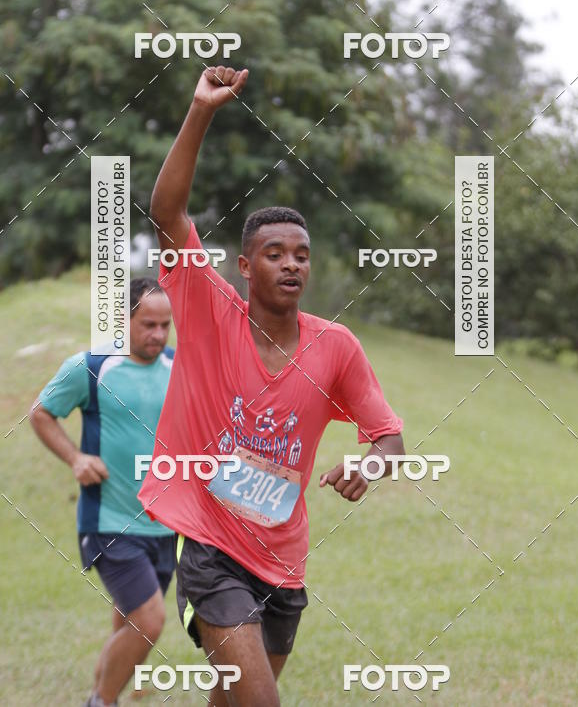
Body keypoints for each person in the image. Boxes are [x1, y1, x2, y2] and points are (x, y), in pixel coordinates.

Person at [138, 66, 406, 707]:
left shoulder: (335, 346)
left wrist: (369, 465)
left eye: (302, 254)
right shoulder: (208, 311)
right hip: (211, 548)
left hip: (284, 559)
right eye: (275, 252)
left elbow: (390, 436)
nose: (291, 263)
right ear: (246, 264)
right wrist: (202, 109)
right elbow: (165, 211)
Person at [29, 277, 176, 707]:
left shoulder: (177, 368)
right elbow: (41, 414)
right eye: (148, 324)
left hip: (165, 526)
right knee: (149, 621)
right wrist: (76, 458)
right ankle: (102, 701)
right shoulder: (91, 367)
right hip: (108, 522)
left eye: (166, 325)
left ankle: (103, 687)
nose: (159, 335)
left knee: (130, 620)